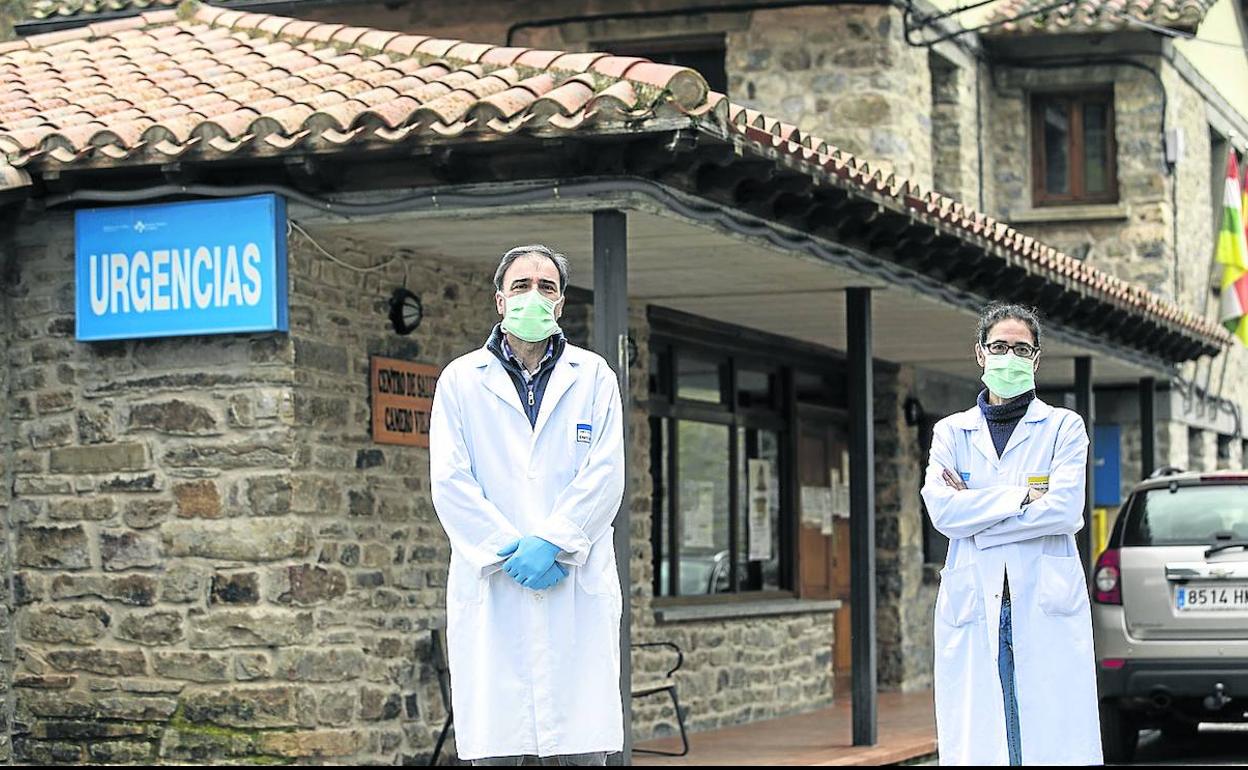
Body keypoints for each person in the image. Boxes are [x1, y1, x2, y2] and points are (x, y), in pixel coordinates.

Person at [429, 244, 626, 765]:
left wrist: (554, 542)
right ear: (499, 300)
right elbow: (450, 481)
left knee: (581, 746)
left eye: (547, 287)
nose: (533, 297)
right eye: (521, 287)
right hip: (494, 583)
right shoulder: (460, 380)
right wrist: (509, 550)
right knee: (498, 746)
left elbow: (606, 475)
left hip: (573, 584)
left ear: (560, 304)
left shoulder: (595, 377)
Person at [920, 303, 1102, 766]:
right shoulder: (951, 432)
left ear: (1036, 360)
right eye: (999, 346)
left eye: (1021, 349)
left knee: (1047, 725)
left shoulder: (1064, 427)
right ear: (980, 353)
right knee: (981, 728)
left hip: (1043, 599)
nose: (1010, 357)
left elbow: (1063, 511)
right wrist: (1018, 497)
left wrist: (978, 514)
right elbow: (943, 512)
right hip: (975, 597)